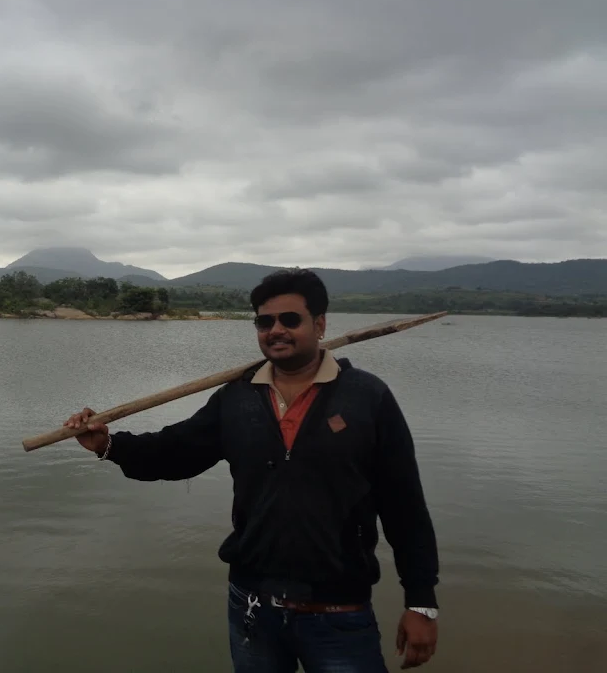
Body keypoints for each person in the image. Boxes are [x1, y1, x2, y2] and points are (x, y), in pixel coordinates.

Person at [64, 268, 439, 672]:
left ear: (320, 325)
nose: (276, 330)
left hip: (339, 612)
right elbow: (174, 452)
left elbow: (404, 506)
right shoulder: (237, 398)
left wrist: (421, 602)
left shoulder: (367, 397)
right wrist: (107, 445)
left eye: (290, 319)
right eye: (264, 322)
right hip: (252, 608)